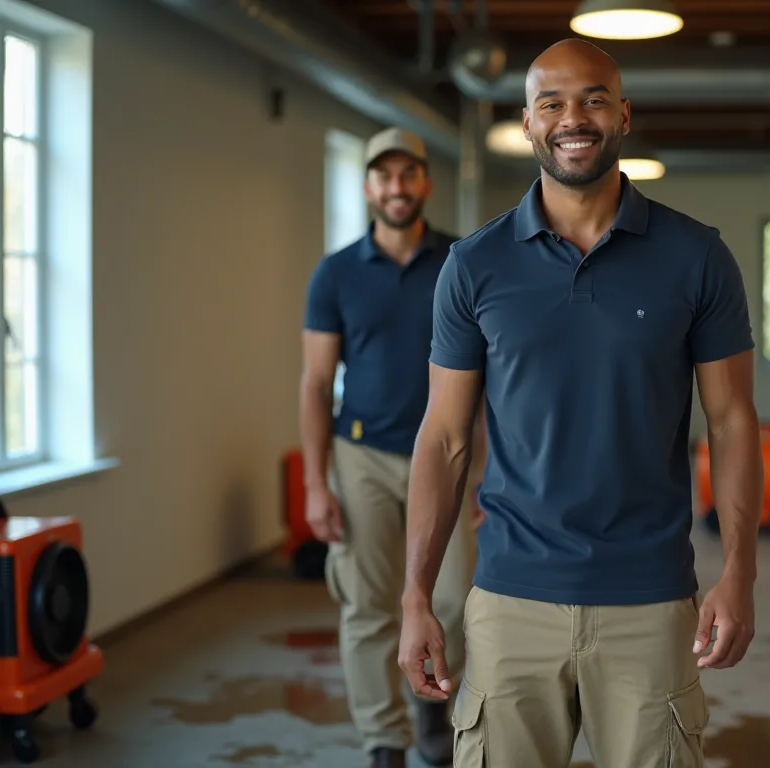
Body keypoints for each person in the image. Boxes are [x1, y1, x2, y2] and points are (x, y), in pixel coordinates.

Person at [398, 38, 764, 768]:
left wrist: (739, 572)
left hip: (652, 602)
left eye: (594, 98)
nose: (575, 117)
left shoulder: (697, 257)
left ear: (623, 114)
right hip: (509, 598)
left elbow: (731, 423)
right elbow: (444, 438)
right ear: (528, 123)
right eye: (552, 103)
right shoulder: (475, 264)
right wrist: (415, 597)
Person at [300, 126, 478, 768]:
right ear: (369, 185)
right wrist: (317, 483)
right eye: (383, 175)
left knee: (455, 596)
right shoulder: (337, 273)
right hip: (364, 454)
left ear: (427, 182)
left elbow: (497, 372)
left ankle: (432, 702)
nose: (396, 187)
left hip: (451, 455)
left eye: (408, 174)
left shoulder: (463, 259)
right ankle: (383, 738)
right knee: (369, 603)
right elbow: (318, 382)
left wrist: (491, 472)